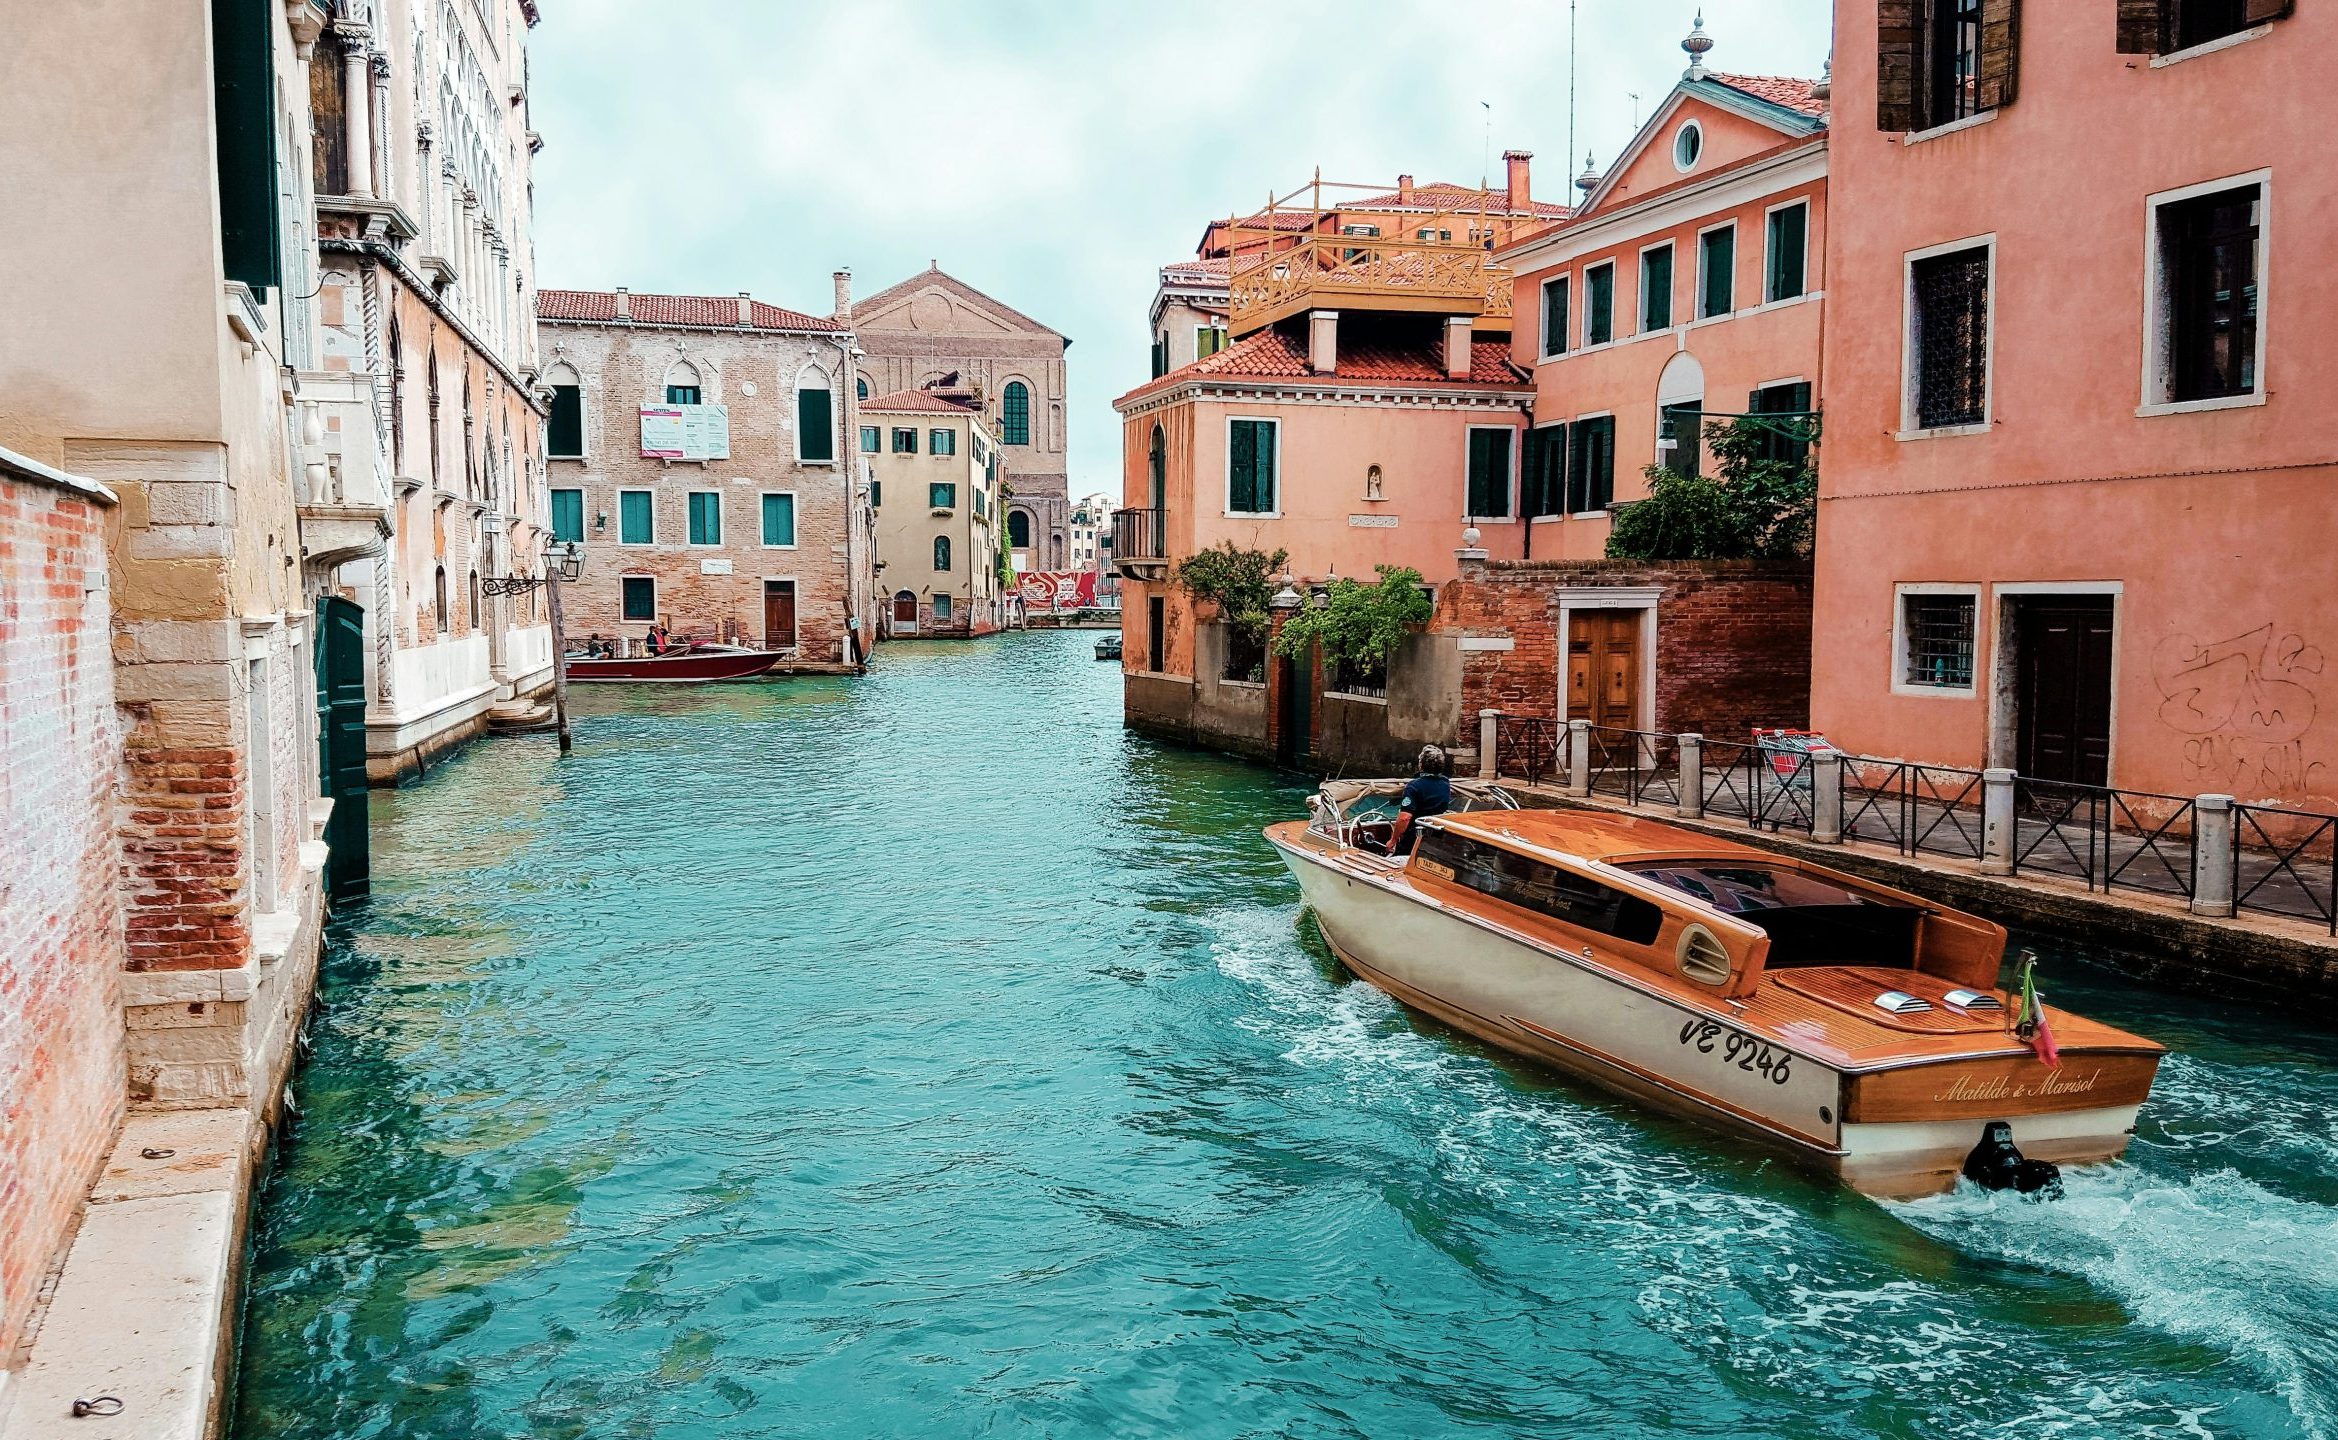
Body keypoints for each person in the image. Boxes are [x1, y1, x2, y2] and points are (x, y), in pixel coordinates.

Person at [1387, 745, 1453, 857]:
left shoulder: (1414, 786)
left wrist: (1393, 840)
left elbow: (1404, 818)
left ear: (1421, 765)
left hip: (1415, 838)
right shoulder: (1445, 783)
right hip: (1435, 837)